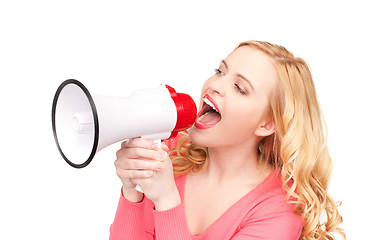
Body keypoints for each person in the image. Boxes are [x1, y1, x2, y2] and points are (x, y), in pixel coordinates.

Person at [109, 40, 345, 240]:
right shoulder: (171, 154)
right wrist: (132, 192)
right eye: (220, 71)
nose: (215, 85)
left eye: (240, 88)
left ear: (266, 124)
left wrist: (168, 199)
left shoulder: (278, 212)